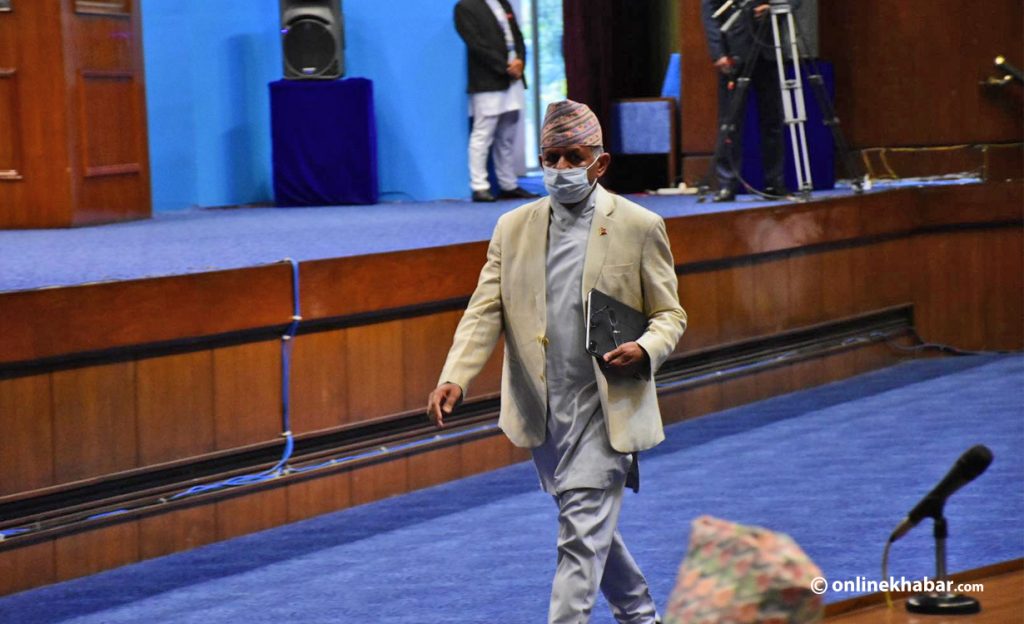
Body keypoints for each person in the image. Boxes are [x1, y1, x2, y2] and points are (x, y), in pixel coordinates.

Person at [427, 100, 687, 624]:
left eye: (575, 156)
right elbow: (484, 310)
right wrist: (456, 374)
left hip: (606, 405)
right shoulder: (512, 227)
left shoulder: (639, 225)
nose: (562, 169)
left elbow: (670, 314)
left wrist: (646, 348)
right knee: (588, 526)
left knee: (578, 538)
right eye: (552, 157)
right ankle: (640, 616)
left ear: (601, 163)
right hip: (543, 410)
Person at [701, 0, 802, 201]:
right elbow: (709, 12)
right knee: (730, 124)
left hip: (769, 50)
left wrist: (775, 8)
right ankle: (727, 184)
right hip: (733, 52)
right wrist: (718, 52)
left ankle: (774, 183)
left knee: (773, 121)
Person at [454, 0, 539, 203]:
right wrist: (505, 67)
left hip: (514, 77)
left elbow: (517, 36)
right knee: (483, 134)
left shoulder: (504, 3)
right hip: (488, 80)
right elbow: (476, 44)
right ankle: (479, 186)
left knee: (508, 134)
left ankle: (508, 184)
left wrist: (520, 61)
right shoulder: (465, 7)